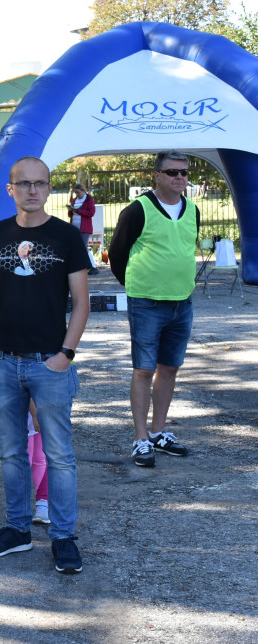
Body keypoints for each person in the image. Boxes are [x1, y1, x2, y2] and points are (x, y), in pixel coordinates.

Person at [0, 156, 90, 574]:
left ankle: (63, 537)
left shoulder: (66, 237)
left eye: (41, 183)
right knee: (10, 453)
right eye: (24, 184)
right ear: (11, 188)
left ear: (49, 187)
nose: (33, 190)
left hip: (49, 364)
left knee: (59, 455)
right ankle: (18, 530)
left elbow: (81, 303)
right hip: (3, 364)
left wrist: (66, 355)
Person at [108, 150, 198, 468]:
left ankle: (160, 433)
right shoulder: (138, 210)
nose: (180, 178)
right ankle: (141, 438)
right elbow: (117, 253)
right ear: (157, 175)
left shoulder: (193, 209)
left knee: (170, 368)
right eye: (173, 172)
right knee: (144, 370)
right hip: (147, 302)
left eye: (185, 173)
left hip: (182, 301)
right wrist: (136, 286)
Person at [67, 184, 100, 276]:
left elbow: (91, 213)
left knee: (83, 247)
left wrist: (78, 211)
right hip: (74, 227)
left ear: (83, 191)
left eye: (78, 192)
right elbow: (71, 214)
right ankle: (80, 266)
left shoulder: (89, 200)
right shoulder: (75, 200)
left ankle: (93, 266)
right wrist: (71, 210)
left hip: (84, 227)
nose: (77, 194)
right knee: (76, 247)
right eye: (75, 192)